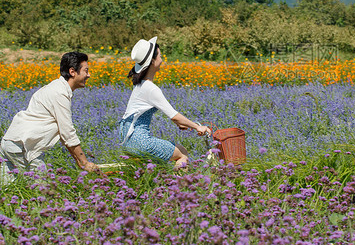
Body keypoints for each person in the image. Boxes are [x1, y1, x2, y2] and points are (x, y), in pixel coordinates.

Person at [0, 52, 99, 181]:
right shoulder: (59, 93)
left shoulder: (56, 88)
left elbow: (66, 137)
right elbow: (67, 132)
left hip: (11, 142)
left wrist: (78, 161)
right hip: (23, 147)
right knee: (41, 188)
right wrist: (84, 162)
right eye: (86, 71)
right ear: (73, 71)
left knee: (8, 193)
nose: (88, 75)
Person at [119, 36, 211, 169]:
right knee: (182, 154)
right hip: (140, 141)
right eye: (160, 56)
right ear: (152, 61)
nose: (162, 60)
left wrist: (184, 124)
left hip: (127, 141)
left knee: (156, 165)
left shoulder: (140, 85)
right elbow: (174, 116)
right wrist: (197, 127)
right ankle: (178, 187)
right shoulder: (151, 88)